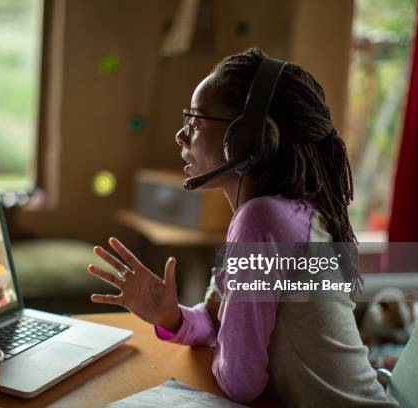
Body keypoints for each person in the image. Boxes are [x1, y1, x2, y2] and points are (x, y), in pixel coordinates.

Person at [87, 48, 396, 406]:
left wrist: (222, 338)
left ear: (249, 139)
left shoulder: (262, 220)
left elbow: (240, 381)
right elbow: (223, 322)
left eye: (196, 121)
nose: (180, 136)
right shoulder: (288, 213)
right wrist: (171, 316)